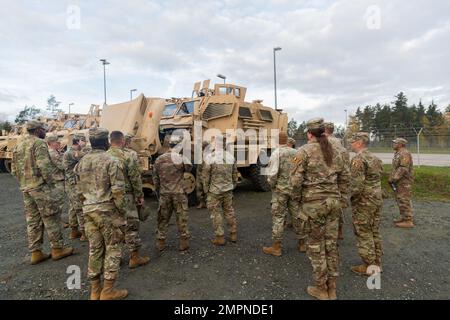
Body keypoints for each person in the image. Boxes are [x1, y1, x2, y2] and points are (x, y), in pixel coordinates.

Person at [290, 118, 350, 300]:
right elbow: (345, 178)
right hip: (333, 203)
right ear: (324, 132)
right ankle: (332, 288)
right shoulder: (338, 150)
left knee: (316, 246)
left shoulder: (304, 151)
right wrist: (341, 199)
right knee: (331, 246)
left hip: (313, 205)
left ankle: (321, 289)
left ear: (309, 134)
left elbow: (295, 182)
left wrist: (297, 201)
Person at [74, 127, 128, 300]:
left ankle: (95, 290)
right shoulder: (111, 160)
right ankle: (108, 291)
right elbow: (118, 191)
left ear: (91, 142)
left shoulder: (81, 162)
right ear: (106, 142)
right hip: (106, 211)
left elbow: (78, 191)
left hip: (88, 211)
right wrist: (122, 213)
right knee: (113, 247)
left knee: (95, 249)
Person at [11, 120, 74, 265]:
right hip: (40, 188)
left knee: (33, 221)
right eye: (43, 129)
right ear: (38, 130)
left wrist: (24, 182)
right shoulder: (38, 143)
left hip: (26, 188)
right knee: (51, 218)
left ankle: (36, 252)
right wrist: (50, 185)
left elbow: (14, 169)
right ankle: (57, 249)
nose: (45, 131)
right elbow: (45, 167)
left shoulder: (18, 145)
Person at [107, 131, 149, 269]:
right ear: (123, 140)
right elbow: (135, 177)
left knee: (114, 227)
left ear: (110, 141)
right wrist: (140, 195)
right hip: (127, 196)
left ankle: (115, 259)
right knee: (131, 225)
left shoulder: (104, 156)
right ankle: (134, 257)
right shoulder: (129, 155)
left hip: (110, 197)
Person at [263, 133, 307, 256]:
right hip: (294, 190)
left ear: (277, 140)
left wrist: (273, 186)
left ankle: (276, 247)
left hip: (280, 191)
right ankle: (302, 244)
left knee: (278, 217)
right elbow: (301, 171)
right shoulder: (297, 153)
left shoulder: (277, 153)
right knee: (297, 216)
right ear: (287, 140)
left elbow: (272, 174)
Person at [349, 132, 384, 275]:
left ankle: (369, 266)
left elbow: (356, 186)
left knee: (363, 231)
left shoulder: (358, 159)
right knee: (374, 230)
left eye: (352, 141)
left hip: (365, 200)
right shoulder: (375, 158)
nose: (351, 144)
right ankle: (377, 262)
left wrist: (350, 198)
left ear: (359, 143)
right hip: (376, 197)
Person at [153, 135, 192, 252]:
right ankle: (183, 242)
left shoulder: (159, 159)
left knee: (162, 218)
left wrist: (159, 191)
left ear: (169, 145)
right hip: (179, 193)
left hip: (164, 193)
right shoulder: (182, 158)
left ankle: (160, 242)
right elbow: (189, 170)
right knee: (181, 218)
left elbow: (155, 179)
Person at [202, 138, 239, 246]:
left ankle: (220, 237)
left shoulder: (210, 157)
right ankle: (233, 233)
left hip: (215, 191)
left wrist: (206, 189)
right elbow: (235, 174)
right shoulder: (230, 157)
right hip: (228, 189)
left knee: (216, 214)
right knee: (229, 211)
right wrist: (233, 185)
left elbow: (205, 176)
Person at [324, 122, 350, 240]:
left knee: (327, 205)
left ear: (324, 129)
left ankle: (329, 233)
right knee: (338, 205)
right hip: (342, 179)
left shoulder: (324, 143)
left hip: (329, 179)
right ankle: (339, 231)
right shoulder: (341, 145)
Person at [63, 134, 90, 241]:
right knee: (79, 208)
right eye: (83, 141)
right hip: (74, 185)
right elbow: (85, 156)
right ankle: (84, 233)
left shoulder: (71, 152)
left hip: (71, 184)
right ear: (78, 141)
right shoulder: (71, 153)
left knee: (73, 208)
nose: (85, 143)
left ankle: (74, 231)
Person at [389, 138, 414, 228]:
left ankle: (408, 221)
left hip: (404, 181)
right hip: (399, 181)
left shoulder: (404, 153)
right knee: (400, 199)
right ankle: (404, 217)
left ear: (400, 144)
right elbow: (396, 168)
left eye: (395, 143)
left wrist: (394, 178)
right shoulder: (398, 153)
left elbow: (403, 168)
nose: (393, 144)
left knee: (404, 199)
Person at [46, 134, 68, 227]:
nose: (59, 143)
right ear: (50, 143)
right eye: (56, 142)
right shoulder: (52, 153)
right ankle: (57, 221)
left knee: (59, 201)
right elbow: (62, 166)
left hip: (58, 179)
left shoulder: (56, 151)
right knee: (59, 202)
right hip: (57, 180)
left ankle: (58, 220)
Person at [196, 141, 210, 209]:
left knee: (207, 189)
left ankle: (208, 203)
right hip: (200, 174)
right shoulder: (200, 154)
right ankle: (201, 203)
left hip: (207, 175)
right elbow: (199, 166)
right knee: (199, 189)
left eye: (203, 147)